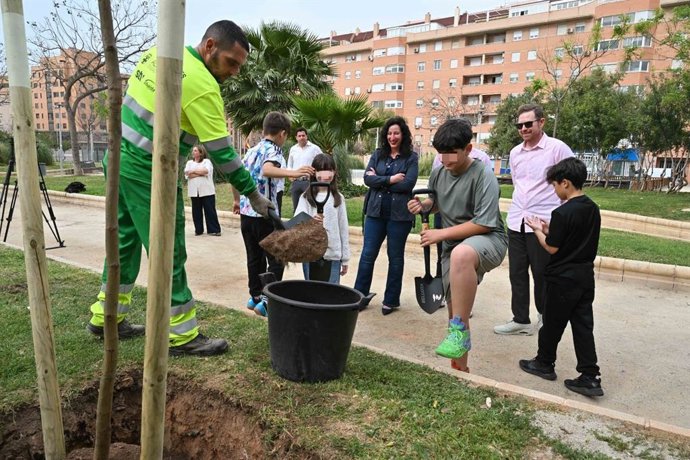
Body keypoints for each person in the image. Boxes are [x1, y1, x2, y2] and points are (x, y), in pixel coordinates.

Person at [86, 21, 274, 356]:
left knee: (124, 244)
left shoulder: (159, 53)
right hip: (148, 171)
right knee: (168, 249)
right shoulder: (202, 84)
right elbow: (222, 152)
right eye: (232, 62)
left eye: (240, 67)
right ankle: (182, 335)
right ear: (211, 46)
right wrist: (254, 194)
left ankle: (106, 317)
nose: (234, 72)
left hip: (117, 160)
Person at [408, 118, 507, 372]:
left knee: (462, 254)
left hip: (488, 239)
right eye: (441, 154)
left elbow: (484, 223)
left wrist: (440, 234)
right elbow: (437, 202)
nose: (446, 161)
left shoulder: (484, 175)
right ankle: (460, 370)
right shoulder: (440, 168)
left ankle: (459, 336)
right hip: (453, 244)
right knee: (456, 314)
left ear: (468, 149)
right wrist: (424, 206)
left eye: (452, 154)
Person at [518, 157, 603, 397]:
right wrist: (549, 229)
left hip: (562, 279)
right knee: (583, 326)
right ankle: (590, 376)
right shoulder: (592, 208)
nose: (554, 191)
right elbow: (572, 237)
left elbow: (552, 248)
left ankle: (544, 363)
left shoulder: (562, 212)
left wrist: (537, 230)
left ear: (565, 183)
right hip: (585, 277)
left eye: (555, 185)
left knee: (552, 323)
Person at [494, 103, 574, 336]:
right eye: (520, 125)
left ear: (542, 122)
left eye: (528, 123)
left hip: (543, 222)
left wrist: (564, 212)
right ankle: (520, 319)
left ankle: (545, 317)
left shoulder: (556, 149)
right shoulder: (515, 153)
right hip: (517, 220)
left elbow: (573, 178)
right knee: (517, 272)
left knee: (542, 273)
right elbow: (519, 183)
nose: (524, 128)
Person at [238, 112, 315, 317]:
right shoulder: (275, 150)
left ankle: (254, 296)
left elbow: (237, 176)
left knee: (254, 257)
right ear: (282, 134)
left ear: (264, 130)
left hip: (247, 213)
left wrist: (237, 201)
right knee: (277, 257)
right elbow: (268, 169)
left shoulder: (251, 151)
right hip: (265, 214)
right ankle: (268, 300)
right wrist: (295, 172)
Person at [354, 116, 419, 316]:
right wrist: (390, 179)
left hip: (399, 215)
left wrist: (378, 179)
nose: (392, 137)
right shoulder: (378, 154)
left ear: (403, 135)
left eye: (396, 133)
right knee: (367, 255)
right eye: (389, 133)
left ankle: (391, 300)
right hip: (375, 212)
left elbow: (408, 184)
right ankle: (359, 295)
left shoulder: (411, 158)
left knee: (395, 257)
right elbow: (367, 179)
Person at [295, 153, 351, 284]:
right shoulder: (305, 197)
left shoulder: (339, 198)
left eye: (329, 170)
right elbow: (298, 223)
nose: (325, 175)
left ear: (334, 172)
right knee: (312, 293)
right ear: (314, 172)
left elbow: (343, 229)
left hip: (333, 256)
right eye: (320, 170)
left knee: (331, 293)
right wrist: (310, 222)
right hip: (311, 255)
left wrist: (345, 258)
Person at [184, 144, 221, 236]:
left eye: (195, 150)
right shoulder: (189, 163)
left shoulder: (206, 161)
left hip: (207, 191)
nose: (193, 152)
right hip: (194, 192)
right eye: (193, 150)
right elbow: (187, 174)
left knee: (210, 210)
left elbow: (206, 171)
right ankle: (198, 230)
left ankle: (214, 230)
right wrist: (198, 173)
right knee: (196, 212)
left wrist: (192, 171)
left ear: (201, 153)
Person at [288, 128, 323, 211]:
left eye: (303, 135)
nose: (301, 137)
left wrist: (317, 174)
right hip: (296, 183)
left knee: (310, 206)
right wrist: (290, 175)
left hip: (309, 182)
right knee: (296, 208)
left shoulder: (315, 148)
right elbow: (289, 165)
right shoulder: (293, 149)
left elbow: (322, 162)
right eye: (299, 136)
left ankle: (311, 223)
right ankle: (298, 224)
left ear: (306, 136)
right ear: (296, 137)